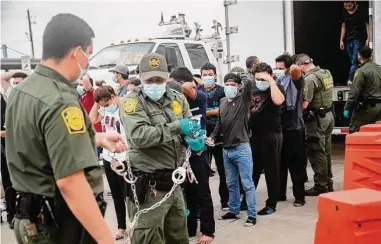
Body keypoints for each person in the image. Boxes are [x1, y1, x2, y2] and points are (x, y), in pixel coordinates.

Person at [5, 13, 127, 244]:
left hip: (30, 219)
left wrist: (96, 138)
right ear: (76, 51)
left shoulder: (23, 91)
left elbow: (40, 145)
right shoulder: (59, 99)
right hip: (59, 224)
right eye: (88, 55)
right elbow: (70, 182)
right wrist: (105, 239)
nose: (87, 62)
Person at [121, 53, 203, 244]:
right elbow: (140, 136)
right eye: (150, 79)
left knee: (179, 238)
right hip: (149, 187)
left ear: (167, 77)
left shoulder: (177, 99)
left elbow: (188, 126)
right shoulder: (132, 102)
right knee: (148, 239)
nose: (155, 83)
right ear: (140, 77)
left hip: (174, 185)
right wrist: (177, 127)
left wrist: (194, 138)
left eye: (160, 79)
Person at [169, 67, 215, 243]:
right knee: (187, 194)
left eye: (176, 85)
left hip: (197, 151)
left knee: (203, 191)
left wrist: (183, 83)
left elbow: (189, 89)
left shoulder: (199, 96)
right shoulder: (173, 100)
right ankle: (189, 228)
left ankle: (208, 231)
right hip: (180, 153)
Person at [209, 72, 257, 226]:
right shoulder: (222, 101)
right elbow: (219, 123)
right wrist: (213, 136)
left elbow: (249, 84)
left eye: (233, 85)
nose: (229, 87)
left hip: (242, 148)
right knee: (231, 183)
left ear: (238, 87)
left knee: (247, 184)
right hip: (226, 149)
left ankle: (252, 215)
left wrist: (243, 76)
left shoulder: (243, 100)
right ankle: (233, 210)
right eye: (227, 85)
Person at [90, 85, 128, 240]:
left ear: (113, 96)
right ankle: (121, 226)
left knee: (129, 195)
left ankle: (134, 224)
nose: (104, 107)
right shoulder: (104, 109)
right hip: (108, 156)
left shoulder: (123, 106)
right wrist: (97, 102)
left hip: (125, 156)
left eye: (106, 103)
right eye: (101, 105)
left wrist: (113, 101)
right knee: (117, 195)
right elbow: (92, 119)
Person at [248, 63, 285, 215]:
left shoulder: (277, 88)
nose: (259, 82)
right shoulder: (252, 89)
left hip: (272, 134)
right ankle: (247, 200)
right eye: (257, 78)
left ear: (270, 75)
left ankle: (271, 204)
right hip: (255, 134)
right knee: (253, 169)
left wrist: (270, 81)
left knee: (271, 170)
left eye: (262, 78)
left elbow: (278, 101)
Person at [297, 54, 334, 196]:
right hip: (328, 116)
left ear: (301, 65)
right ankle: (328, 182)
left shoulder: (310, 79)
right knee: (326, 151)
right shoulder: (326, 73)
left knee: (316, 151)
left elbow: (305, 104)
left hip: (316, 119)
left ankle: (320, 186)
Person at [275, 54, 306, 207]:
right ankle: (280, 193)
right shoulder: (276, 82)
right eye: (276, 68)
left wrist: (291, 65)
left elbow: (296, 70)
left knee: (296, 164)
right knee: (280, 163)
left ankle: (299, 196)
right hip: (280, 128)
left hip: (294, 128)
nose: (278, 71)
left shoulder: (295, 80)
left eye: (281, 68)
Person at [0, 70, 28, 229]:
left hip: (26, 151)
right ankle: (13, 214)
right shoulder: (11, 97)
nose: (16, 86)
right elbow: (2, 78)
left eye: (19, 83)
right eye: (15, 83)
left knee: (25, 184)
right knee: (9, 182)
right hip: (8, 150)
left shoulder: (32, 100)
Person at [200, 63, 229, 211]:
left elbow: (225, 111)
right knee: (203, 172)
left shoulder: (222, 91)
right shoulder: (197, 92)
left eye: (210, 74)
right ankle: (205, 204)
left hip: (220, 134)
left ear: (215, 75)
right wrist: (214, 111)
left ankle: (225, 201)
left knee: (223, 170)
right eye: (204, 75)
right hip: (202, 135)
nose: (207, 77)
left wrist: (208, 112)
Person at [344, 46, 381, 133]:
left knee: (355, 131)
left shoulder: (361, 71)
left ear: (359, 56)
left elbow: (354, 92)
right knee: (377, 134)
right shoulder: (379, 68)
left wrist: (348, 108)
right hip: (380, 107)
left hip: (367, 108)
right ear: (371, 56)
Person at [340, 1, 370, 85]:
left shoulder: (360, 11)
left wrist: (369, 38)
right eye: (345, 6)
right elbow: (343, 26)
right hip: (348, 39)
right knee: (354, 60)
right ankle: (359, 78)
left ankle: (350, 79)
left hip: (358, 39)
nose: (347, 8)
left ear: (354, 3)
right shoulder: (344, 13)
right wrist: (341, 40)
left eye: (349, 6)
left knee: (354, 60)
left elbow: (367, 25)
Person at [77, 75, 103, 158]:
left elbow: (87, 84)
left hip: (94, 133)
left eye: (81, 85)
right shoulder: (81, 97)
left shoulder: (91, 95)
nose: (79, 87)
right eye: (79, 85)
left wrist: (83, 73)